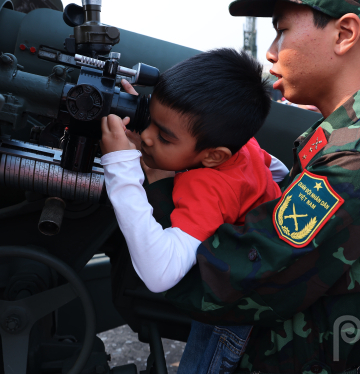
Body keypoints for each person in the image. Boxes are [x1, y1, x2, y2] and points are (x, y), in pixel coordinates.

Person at [122, 0, 360, 372]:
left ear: (345, 33)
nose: (271, 52)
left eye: (283, 30)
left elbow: (231, 278)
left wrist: (151, 176)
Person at [99, 48, 288, 374]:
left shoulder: (209, 189)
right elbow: (279, 173)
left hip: (233, 317)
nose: (145, 137)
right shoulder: (247, 147)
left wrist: (122, 166)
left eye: (164, 136)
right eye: (150, 122)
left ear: (213, 156)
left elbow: (160, 273)